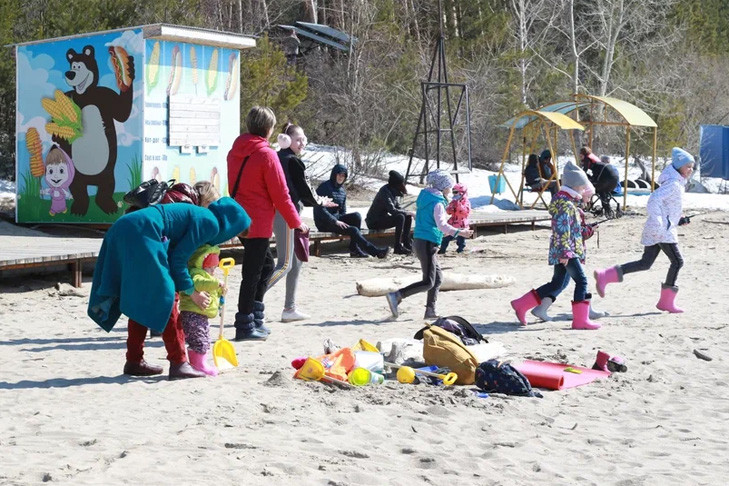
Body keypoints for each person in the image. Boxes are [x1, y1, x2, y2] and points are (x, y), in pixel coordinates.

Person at [88, 197, 251, 379]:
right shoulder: (210, 222)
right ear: (230, 224)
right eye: (235, 233)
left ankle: (134, 360)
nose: (231, 238)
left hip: (126, 227)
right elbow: (178, 260)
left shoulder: (203, 215)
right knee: (166, 295)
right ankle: (179, 362)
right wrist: (192, 292)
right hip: (143, 230)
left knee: (143, 295)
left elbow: (175, 254)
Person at [227, 106, 309, 341]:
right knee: (252, 273)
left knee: (264, 266)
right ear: (269, 129)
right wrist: (296, 223)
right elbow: (281, 195)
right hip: (259, 221)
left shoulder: (235, 151)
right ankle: (244, 324)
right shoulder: (266, 155)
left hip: (239, 218)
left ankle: (255, 317)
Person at [593, 148, 694, 313]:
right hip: (662, 230)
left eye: (692, 166)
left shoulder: (675, 183)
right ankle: (666, 302)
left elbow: (666, 206)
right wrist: (660, 221)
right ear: (678, 166)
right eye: (687, 166)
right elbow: (654, 199)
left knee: (645, 263)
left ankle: (605, 276)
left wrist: (678, 220)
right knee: (677, 262)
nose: (690, 169)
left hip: (660, 228)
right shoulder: (674, 184)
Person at [123, 182, 207, 379]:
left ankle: (134, 360)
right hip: (156, 256)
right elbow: (177, 251)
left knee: (138, 308)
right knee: (170, 305)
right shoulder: (184, 205)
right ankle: (179, 363)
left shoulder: (159, 203)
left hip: (136, 253)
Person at [510, 161, 601, 330]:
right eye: (582, 187)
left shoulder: (568, 202)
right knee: (581, 281)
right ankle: (580, 320)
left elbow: (572, 229)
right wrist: (565, 252)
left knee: (557, 284)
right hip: (567, 251)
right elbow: (562, 230)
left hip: (567, 249)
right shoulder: (565, 204)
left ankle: (521, 304)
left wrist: (586, 232)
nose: (583, 191)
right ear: (575, 186)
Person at [267, 122, 336, 323]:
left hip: (286, 212)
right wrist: (320, 201)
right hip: (286, 213)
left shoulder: (278, 157)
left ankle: (289, 308)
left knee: (296, 261)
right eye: (298, 139)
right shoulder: (291, 161)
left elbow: (303, 191)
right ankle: (252, 302)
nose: (302, 142)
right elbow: (305, 190)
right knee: (284, 264)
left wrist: (318, 201)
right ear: (286, 140)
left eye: (303, 138)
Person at [385, 169, 473, 319]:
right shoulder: (437, 202)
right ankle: (397, 295)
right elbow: (442, 225)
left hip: (422, 241)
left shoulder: (426, 196)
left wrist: (446, 232)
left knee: (437, 278)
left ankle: (430, 310)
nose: (450, 189)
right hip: (426, 243)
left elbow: (431, 222)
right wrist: (460, 232)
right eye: (448, 186)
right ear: (441, 186)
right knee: (428, 281)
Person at [314, 164, 389, 258]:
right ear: (334, 174)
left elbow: (342, 211)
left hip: (336, 220)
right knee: (353, 230)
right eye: (339, 174)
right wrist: (335, 221)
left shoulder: (342, 191)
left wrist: (343, 222)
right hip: (324, 222)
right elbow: (319, 209)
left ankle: (354, 249)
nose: (341, 177)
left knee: (356, 216)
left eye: (343, 175)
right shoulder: (324, 187)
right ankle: (376, 252)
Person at [179, 244, 224, 376]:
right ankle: (199, 365)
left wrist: (221, 290)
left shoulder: (207, 275)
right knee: (199, 340)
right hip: (193, 314)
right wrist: (216, 284)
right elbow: (200, 284)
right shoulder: (196, 273)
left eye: (214, 268)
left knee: (203, 337)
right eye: (210, 268)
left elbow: (212, 289)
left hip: (200, 314)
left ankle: (198, 363)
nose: (213, 271)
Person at [365, 170, 414, 255]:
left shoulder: (393, 191)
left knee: (407, 216)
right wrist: (406, 213)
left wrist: (408, 213)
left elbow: (397, 207)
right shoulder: (384, 192)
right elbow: (392, 210)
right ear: (396, 184)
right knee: (400, 217)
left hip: (382, 218)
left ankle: (406, 242)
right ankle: (397, 247)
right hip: (373, 221)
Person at [438, 182, 471, 254]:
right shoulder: (453, 201)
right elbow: (448, 212)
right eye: (453, 192)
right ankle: (442, 250)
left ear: (462, 193)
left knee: (461, 239)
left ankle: (460, 249)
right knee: (446, 237)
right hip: (452, 223)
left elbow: (465, 212)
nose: (454, 194)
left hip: (461, 223)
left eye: (456, 192)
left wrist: (458, 204)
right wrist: (450, 208)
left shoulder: (466, 202)